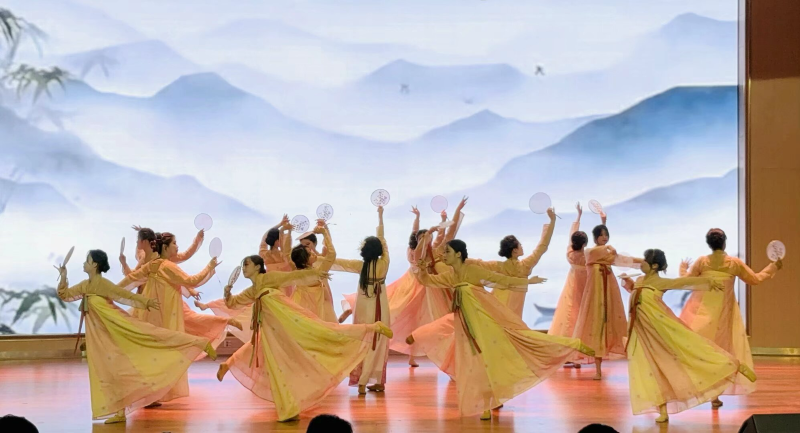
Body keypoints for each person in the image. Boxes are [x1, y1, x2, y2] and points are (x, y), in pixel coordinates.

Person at [407, 237, 594, 420]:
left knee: (519, 342)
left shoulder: (472, 270)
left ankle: (572, 344)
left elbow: (501, 280)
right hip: (466, 328)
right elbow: (428, 281)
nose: (444, 255)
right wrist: (421, 269)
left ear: (458, 254)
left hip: (485, 325)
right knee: (476, 365)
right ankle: (487, 404)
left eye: (447, 252)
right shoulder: (451, 276)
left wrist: (528, 281)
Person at [220, 255, 393, 422]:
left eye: (247, 264)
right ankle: (289, 409)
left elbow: (292, 276)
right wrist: (227, 294)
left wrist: (314, 273)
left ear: (258, 266)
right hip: (274, 335)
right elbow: (232, 303)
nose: (244, 268)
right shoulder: (253, 290)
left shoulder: (268, 279)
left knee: (326, 332)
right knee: (278, 369)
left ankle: (372, 328)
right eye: (243, 265)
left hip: (291, 324)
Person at [57, 250, 215, 424]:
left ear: (95, 264)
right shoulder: (84, 286)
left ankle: (198, 342)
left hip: (119, 328)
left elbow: (124, 295)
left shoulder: (103, 284)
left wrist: (145, 302)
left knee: (152, 336)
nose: (84, 264)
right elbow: (65, 295)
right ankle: (120, 411)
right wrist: (63, 276)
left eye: (87, 261)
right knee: (111, 371)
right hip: (102, 338)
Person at [622, 249, 756, 423]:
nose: (641, 264)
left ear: (654, 266)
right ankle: (662, 411)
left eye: (644, 261)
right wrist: (629, 282)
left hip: (662, 328)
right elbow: (637, 295)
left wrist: (708, 282)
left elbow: (684, 282)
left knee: (692, 350)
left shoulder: (660, 282)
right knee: (651, 367)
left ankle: (733, 365)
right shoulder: (640, 280)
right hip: (643, 332)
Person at [679, 228, 782, 407]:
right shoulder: (733, 263)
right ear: (724, 242)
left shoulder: (702, 262)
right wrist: (773, 267)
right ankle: (714, 395)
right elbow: (755, 279)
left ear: (709, 244)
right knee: (721, 351)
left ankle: (700, 390)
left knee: (701, 350)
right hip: (723, 316)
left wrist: (683, 268)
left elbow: (686, 281)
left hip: (701, 314)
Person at [117, 232, 223, 403]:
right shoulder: (167, 266)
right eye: (174, 243)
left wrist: (108, 292)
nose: (177, 246)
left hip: (150, 316)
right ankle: (152, 394)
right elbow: (192, 280)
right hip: (163, 318)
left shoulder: (153, 265)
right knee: (165, 353)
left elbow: (131, 279)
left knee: (153, 355)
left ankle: (150, 395)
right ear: (165, 247)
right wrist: (209, 267)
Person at [329, 206, 391, 394]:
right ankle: (376, 381)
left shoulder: (361, 266)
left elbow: (337, 263)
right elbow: (383, 240)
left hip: (364, 308)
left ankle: (363, 383)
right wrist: (380, 216)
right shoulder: (384, 263)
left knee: (364, 340)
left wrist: (319, 255)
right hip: (381, 307)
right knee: (378, 342)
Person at [572, 223, 642, 379]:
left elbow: (623, 260)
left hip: (608, 291)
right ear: (595, 237)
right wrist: (610, 249)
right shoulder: (590, 252)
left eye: (606, 234)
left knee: (609, 323)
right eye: (601, 234)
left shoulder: (608, 254)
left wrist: (644, 262)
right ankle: (597, 370)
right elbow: (601, 253)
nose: (604, 237)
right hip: (595, 294)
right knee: (596, 325)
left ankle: (608, 365)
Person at [467, 207, 556, 317]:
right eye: (520, 245)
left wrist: (458, 259)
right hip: (512, 312)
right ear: (515, 250)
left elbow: (477, 263)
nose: (522, 246)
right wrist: (552, 221)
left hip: (497, 306)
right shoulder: (524, 266)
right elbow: (542, 246)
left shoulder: (498, 266)